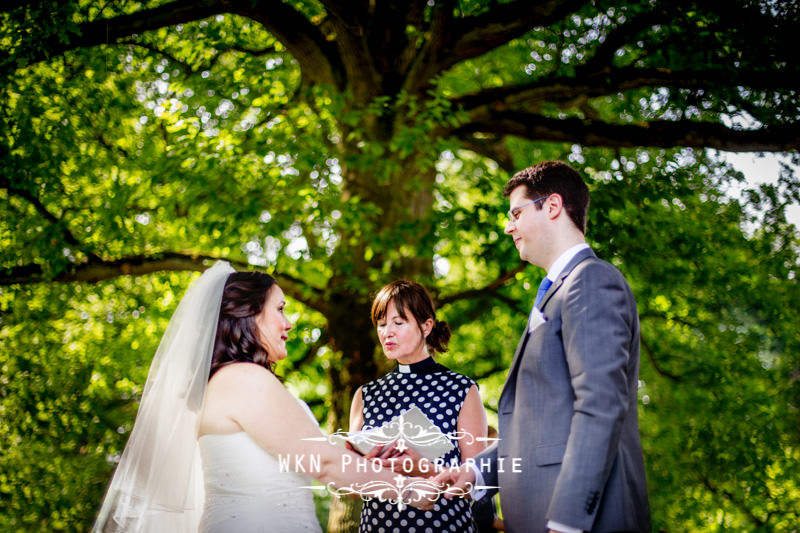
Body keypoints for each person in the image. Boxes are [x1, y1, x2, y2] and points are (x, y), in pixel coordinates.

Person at [93, 262, 436, 533]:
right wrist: (410, 490)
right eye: (281, 309)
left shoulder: (226, 381)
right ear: (249, 313)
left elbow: (303, 454)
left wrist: (355, 453)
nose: (289, 322)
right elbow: (324, 464)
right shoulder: (245, 378)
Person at [435, 161, 651, 532]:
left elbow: (600, 404)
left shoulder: (591, 281)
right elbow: (540, 431)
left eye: (516, 213)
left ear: (552, 207)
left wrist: (567, 521)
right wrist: (475, 471)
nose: (508, 226)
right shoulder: (559, 293)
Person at [349, 280, 488, 533]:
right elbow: (351, 490)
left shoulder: (462, 390)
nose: (387, 332)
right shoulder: (365, 395)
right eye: (381, 324)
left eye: (398, 323)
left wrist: (424, 469)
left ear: (426, 326)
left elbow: (479, 485)